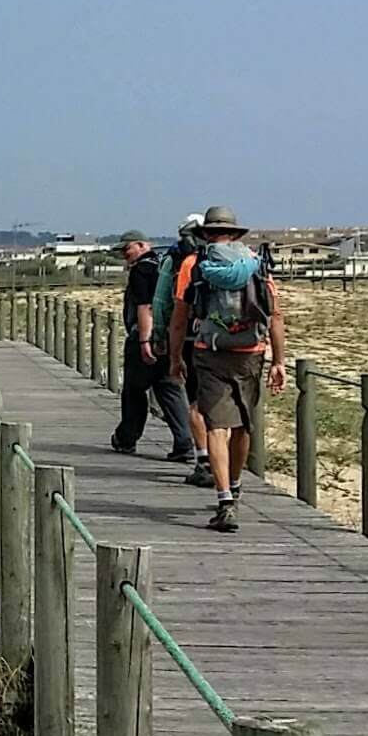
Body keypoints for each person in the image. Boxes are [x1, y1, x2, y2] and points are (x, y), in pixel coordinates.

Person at [169, 206, 286, 533]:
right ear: (236, 234)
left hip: (210, 351)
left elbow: (180, 318)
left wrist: (175, 358)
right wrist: (279, 361)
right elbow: (274, 314)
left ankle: (224, 501)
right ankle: (234, 486)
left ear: (205, 234)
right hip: (251, 351)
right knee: (243, 425)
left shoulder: (194, 264)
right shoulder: (256, 263)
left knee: (216, 426)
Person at [110, 231, 196, 459]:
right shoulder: (164, 264)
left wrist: (144, 341)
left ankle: (127, 438)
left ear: (141, 245)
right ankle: (184, 441)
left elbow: (144, 306)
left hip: (146, 338)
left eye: (126, 249)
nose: (124, 255)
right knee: (168, 387)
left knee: (134, 390)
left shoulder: (141, 270)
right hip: (170, 337)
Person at [152, 214, 216, 486]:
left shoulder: (181, 260)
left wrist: (160, 336)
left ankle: (204, 461)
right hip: (235, 342)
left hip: (192, 339)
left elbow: (163, 301)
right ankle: (230, 474)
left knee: (196, 403)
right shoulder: (242, 258)